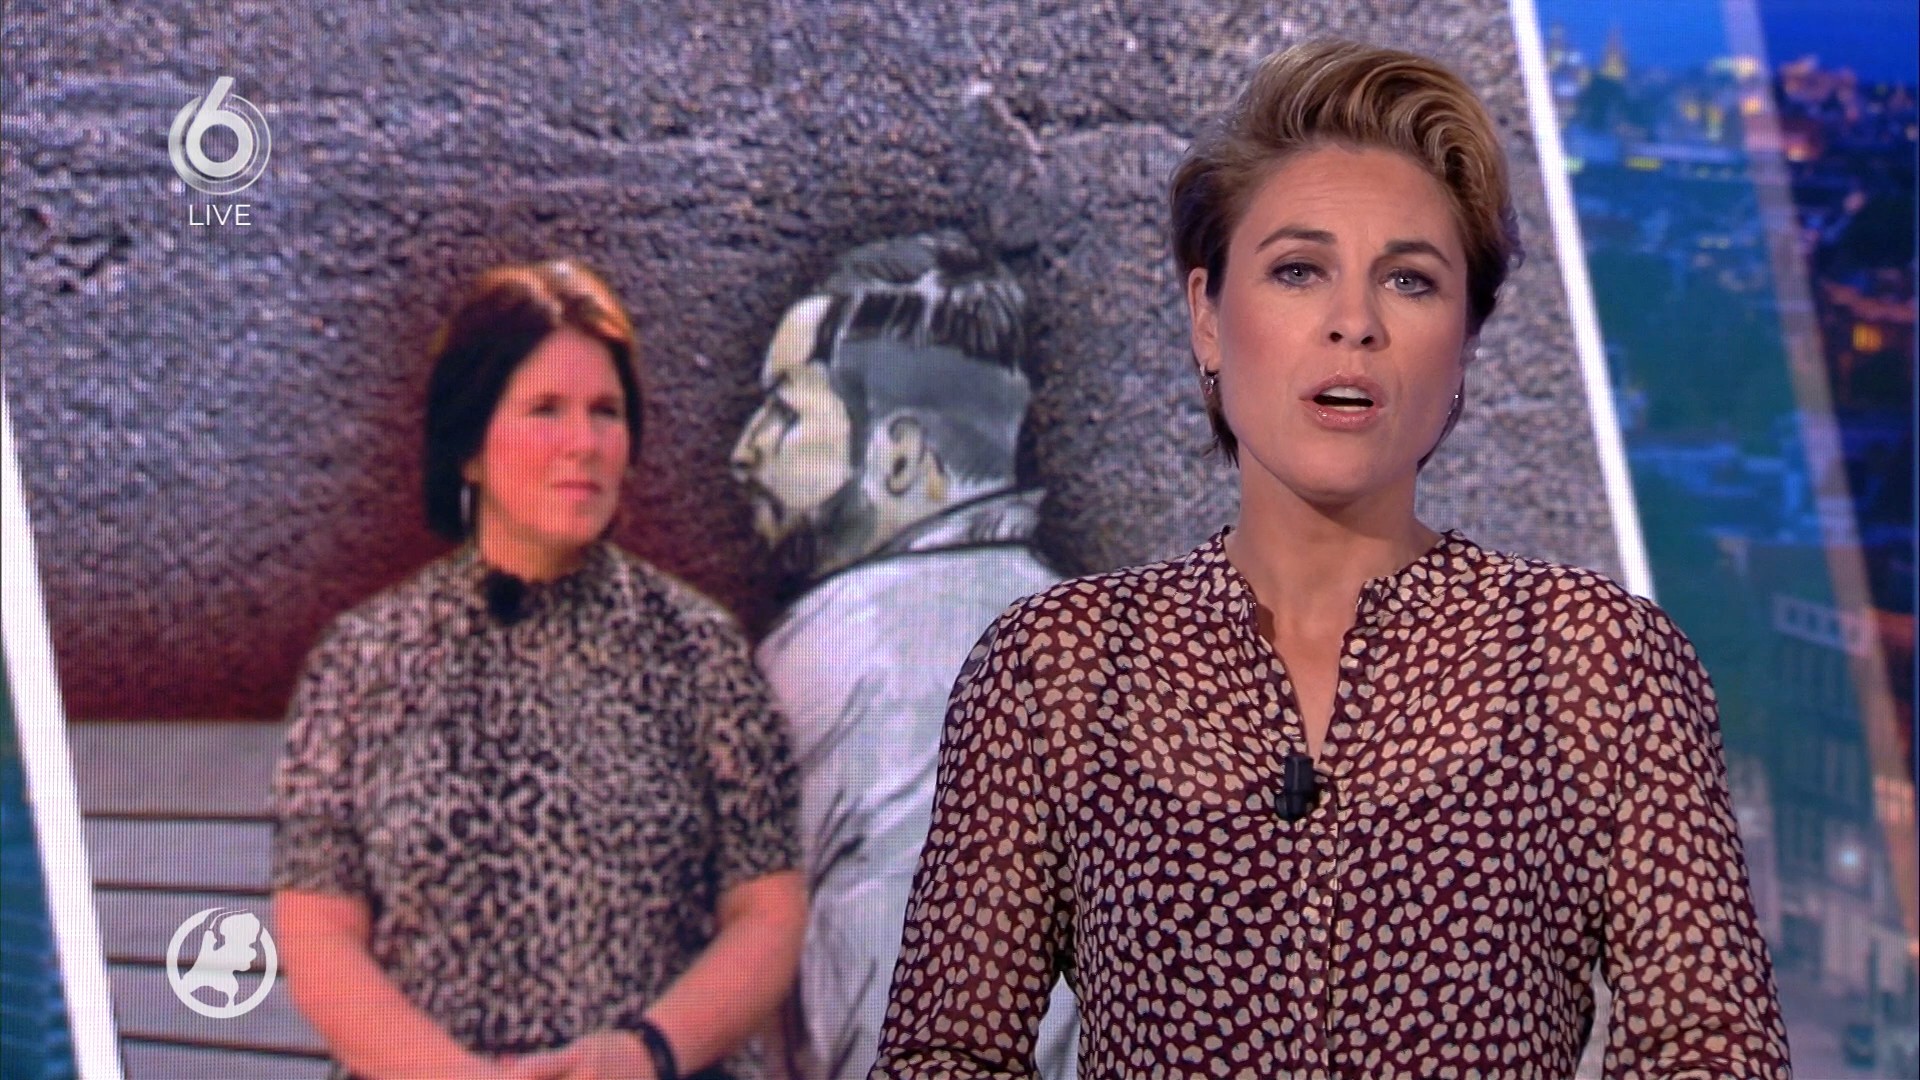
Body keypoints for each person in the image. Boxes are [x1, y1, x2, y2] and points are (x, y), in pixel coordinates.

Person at [872, 41, 1792, 1079]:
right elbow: (944, 1054)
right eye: (1299, 271)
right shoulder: (1059, 668)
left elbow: (1710, 1049)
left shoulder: (1594, 661)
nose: (1353, 324)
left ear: (1465, 342)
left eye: (1409, 280)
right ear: (1207, 316)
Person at [271, 260, 806, 1080]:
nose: (583, 444)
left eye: (605, 413)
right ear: (470, 449)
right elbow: (318, 935)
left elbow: (768, 914)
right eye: (545, 410)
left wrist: (647, 1053)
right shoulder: (363, 661)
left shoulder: (699, 651)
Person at [729, 232, 1078, 1080]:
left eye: (787, 414)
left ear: (900, 459)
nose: (747, 450)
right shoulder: (1105, 646)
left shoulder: (839, 654)